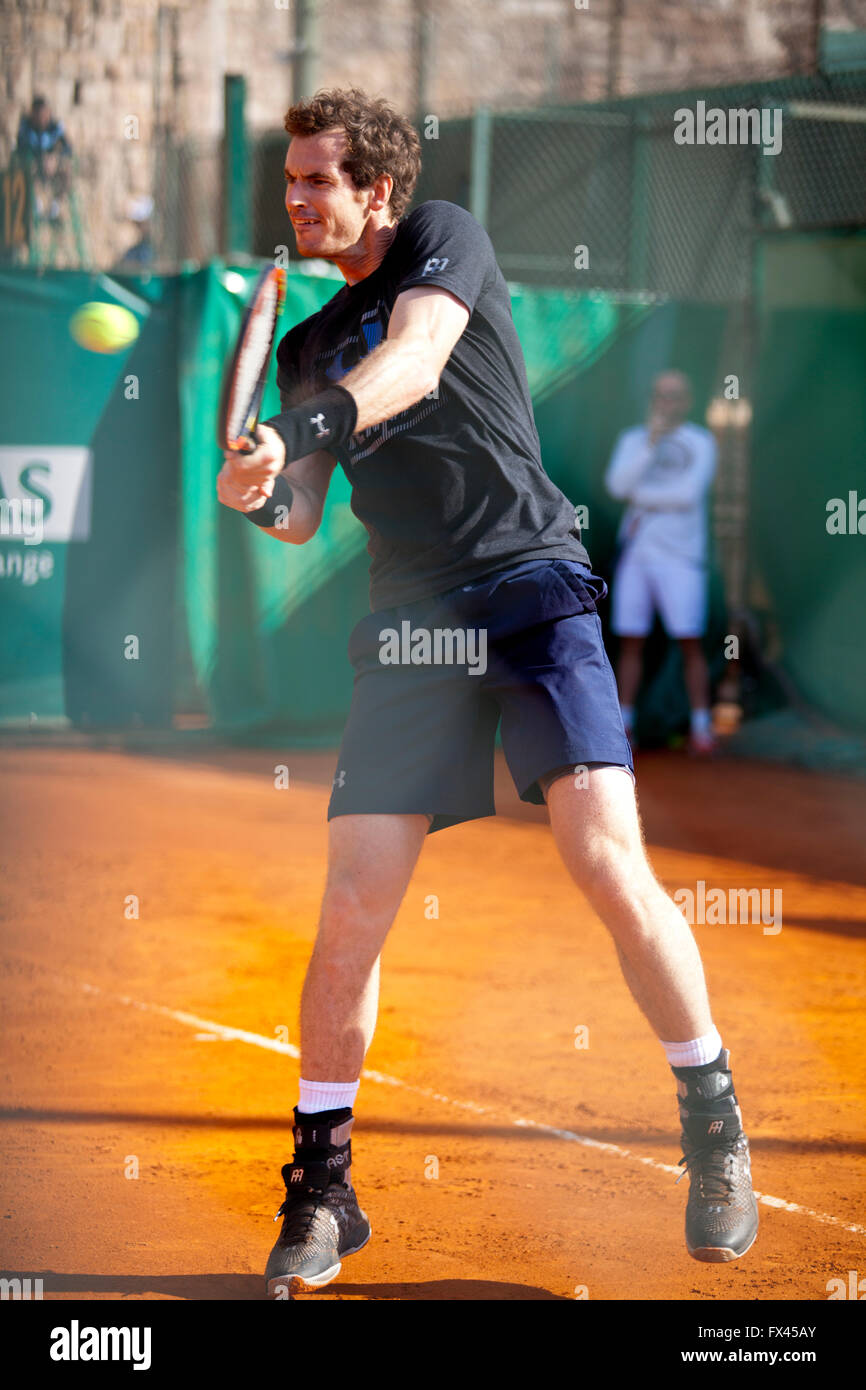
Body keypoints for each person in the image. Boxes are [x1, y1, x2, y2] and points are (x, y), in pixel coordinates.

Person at [216, 88, 757, 1297]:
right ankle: (322, 1188)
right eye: (290, 181)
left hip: (526, 582)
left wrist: (299, 425)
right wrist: (256, 490)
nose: (296, 199)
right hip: (407, 624)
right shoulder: (306, 345)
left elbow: (408, 367)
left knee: (602, 856)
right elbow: (301, 517)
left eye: (317, 182)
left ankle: (713, 1125)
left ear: (378, 191)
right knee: (352, 906)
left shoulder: (439, 240)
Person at [604, 371, 718, 754]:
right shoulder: (633, 440)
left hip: (683, 558)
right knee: (631, 640)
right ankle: (624, 726)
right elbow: (618, 487)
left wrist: (643, 496)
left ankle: (702, 728)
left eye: (675, 395)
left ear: (688, 400)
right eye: (660, 395)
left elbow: (688, 495)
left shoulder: (702, 442)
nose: (666, 402)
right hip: (637, 556)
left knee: (689, 641)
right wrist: (650, 444)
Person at [16, 95, 72, 223]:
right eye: (39, 114)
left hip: (51, 165)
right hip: (33, 165)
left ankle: (55, 207)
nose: (42, 118)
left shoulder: (55, 127)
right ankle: (36, 204)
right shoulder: (26, 128)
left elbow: (68, 148)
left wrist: (55, 158)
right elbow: (19, 148)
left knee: (66, 169)